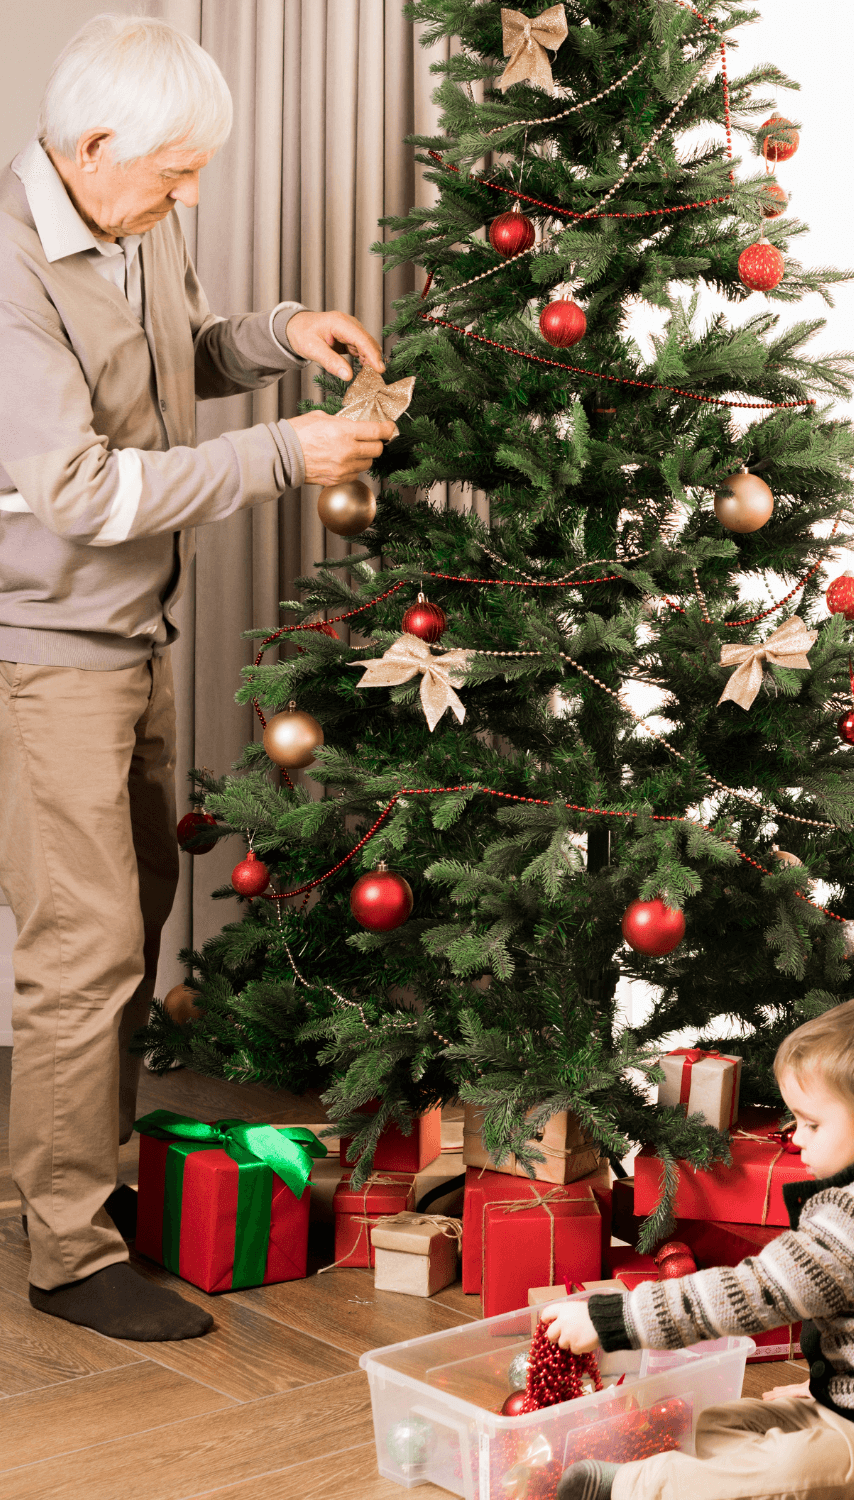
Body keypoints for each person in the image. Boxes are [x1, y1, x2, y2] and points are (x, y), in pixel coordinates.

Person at [0, 16, 395, 1343]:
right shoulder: (8, 268)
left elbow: (173, 368)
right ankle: (65, 1250)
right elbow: (84, 486)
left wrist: (282, 335)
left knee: (140, 919)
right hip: (36, 653)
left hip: (133, 637)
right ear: (93, 144)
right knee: (84, 950)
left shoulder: (131, 216)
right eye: (176, 173)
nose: (192, 196)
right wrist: (292, 453)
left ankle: (82, 1186)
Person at [539, 993, 854, 1500]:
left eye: (811, 1124)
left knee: (794, 1467)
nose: (796, 1138)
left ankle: (639, 1490)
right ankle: (697, 1477)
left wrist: (618, 1320)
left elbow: (754, 1293)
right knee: (711, 1425)